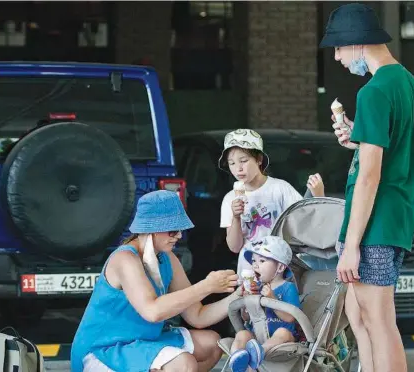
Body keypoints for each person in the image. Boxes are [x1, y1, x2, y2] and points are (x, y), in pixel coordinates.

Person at [319, 4, 414, 372]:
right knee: (360, 315)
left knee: (379, 322)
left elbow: (369, 177)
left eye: (338, 48)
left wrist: (351, 246)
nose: (336, 57)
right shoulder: (409, 84)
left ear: (357, 42)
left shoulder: (374, 91)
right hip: (397, 218)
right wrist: (361, 140)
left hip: (374, 224)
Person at [71, 190, 241, 372]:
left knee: (213, 344)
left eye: (180, 230)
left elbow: (197, 316)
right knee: (183, 363)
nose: (179, 236)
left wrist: (238, 295)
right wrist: (207, 286)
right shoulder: (125, 259)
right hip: (105, 349)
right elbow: (152, 311)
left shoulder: (168, 258)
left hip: (144, 340)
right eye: (173, 230)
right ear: (151, 228)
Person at [218, 129, 325, 276]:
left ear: (259, 159)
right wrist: (236, 217)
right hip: (249, 271)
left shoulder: (280, 189)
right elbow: (234, 247)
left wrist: (318, 195)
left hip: (281, 271)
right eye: (232, 163)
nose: (238, 168)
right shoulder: (230, 199)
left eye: (244, 161)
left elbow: (305, 225)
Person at [226, 236, 300, 372]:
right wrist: (247, 302)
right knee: (242, 334)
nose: (255, 265)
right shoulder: (256, 288)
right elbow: (246, 318)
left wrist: (272, 299)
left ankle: (258, 353)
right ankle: (237, 359)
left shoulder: (288, 287)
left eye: (262, 261)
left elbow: (291, 318)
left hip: (282, 340)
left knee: (282, 332)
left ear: (280, 267)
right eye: (253, 260)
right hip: (258, 336)